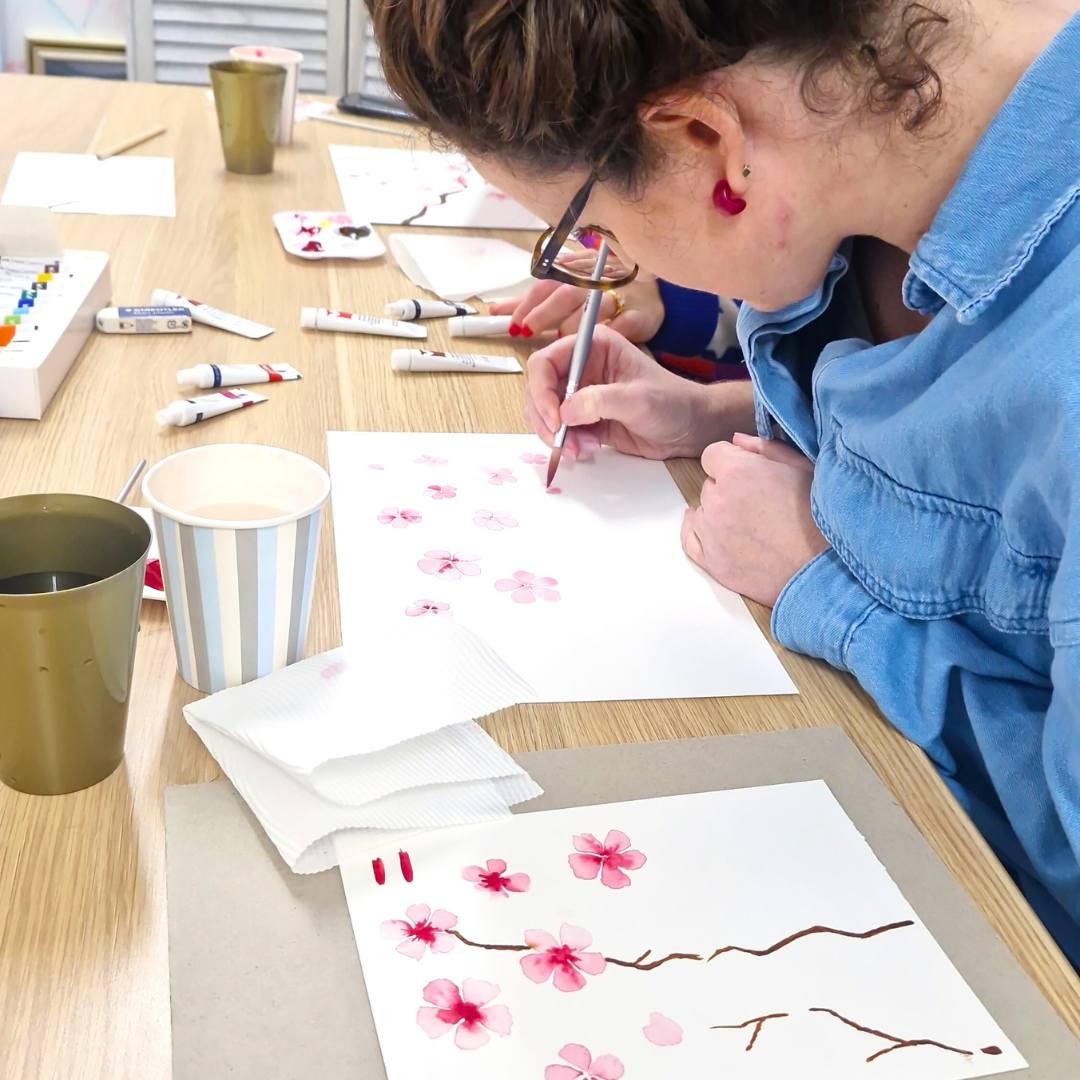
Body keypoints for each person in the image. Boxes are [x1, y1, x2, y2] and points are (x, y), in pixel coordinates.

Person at [365, 0, 1080, 966]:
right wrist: (715, 411)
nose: (615, 267)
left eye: (598, 231)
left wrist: (822, 591)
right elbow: (966, 466)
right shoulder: (875, 165)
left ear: (709, 139)